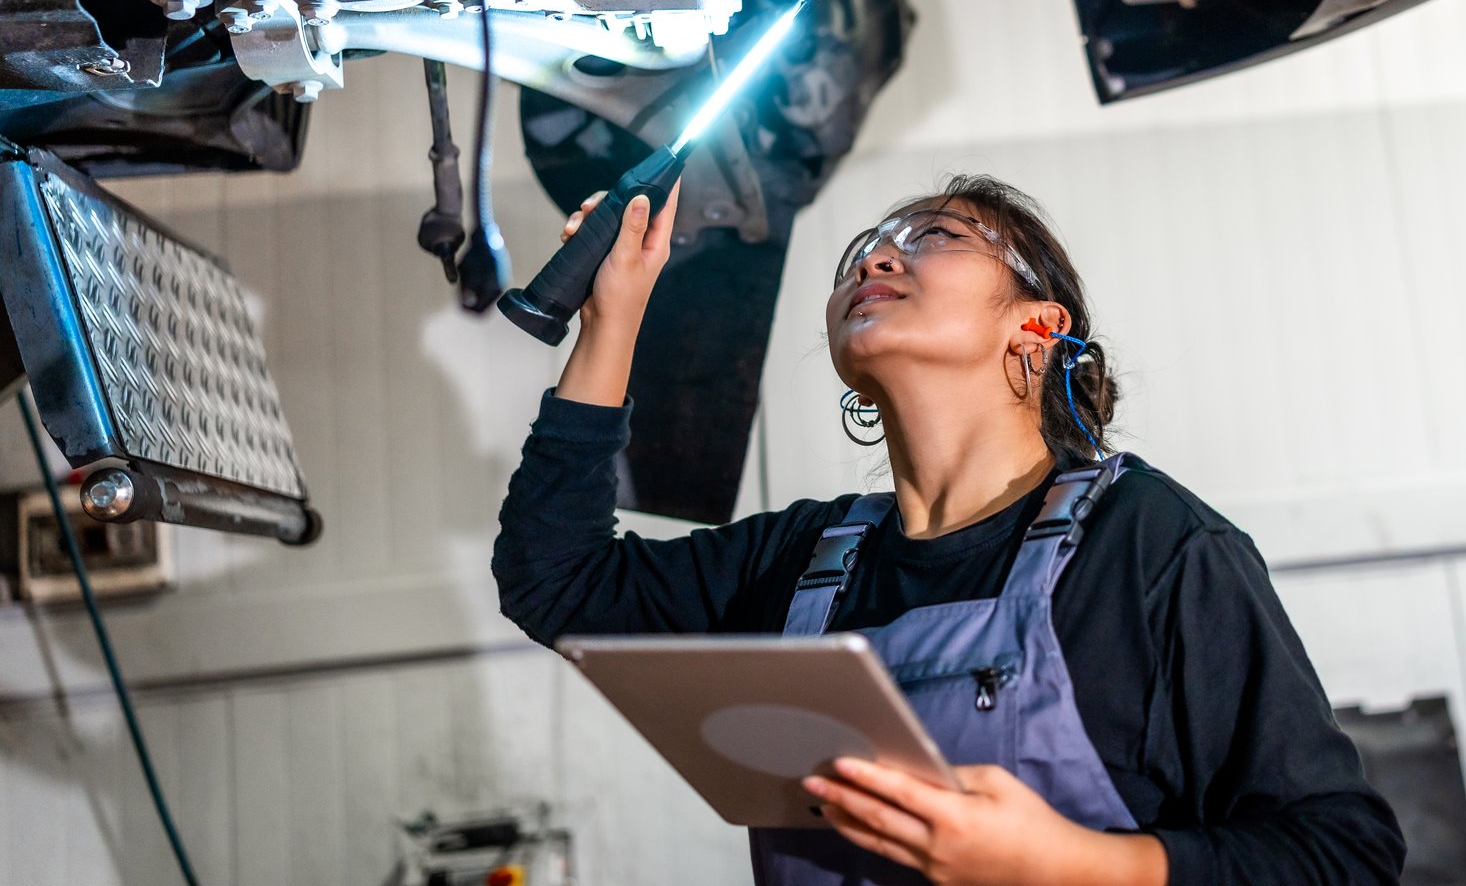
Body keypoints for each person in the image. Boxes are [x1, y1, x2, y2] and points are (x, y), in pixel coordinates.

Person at [493, 173, 1405, 886]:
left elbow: (1344, 856)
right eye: (866, 252)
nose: (877, 261)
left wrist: (1074, 869)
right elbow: (557, 582)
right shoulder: (806, 562)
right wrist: (613, 319)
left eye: (931, 240)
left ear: (1038, 329)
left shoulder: (1151, 547)